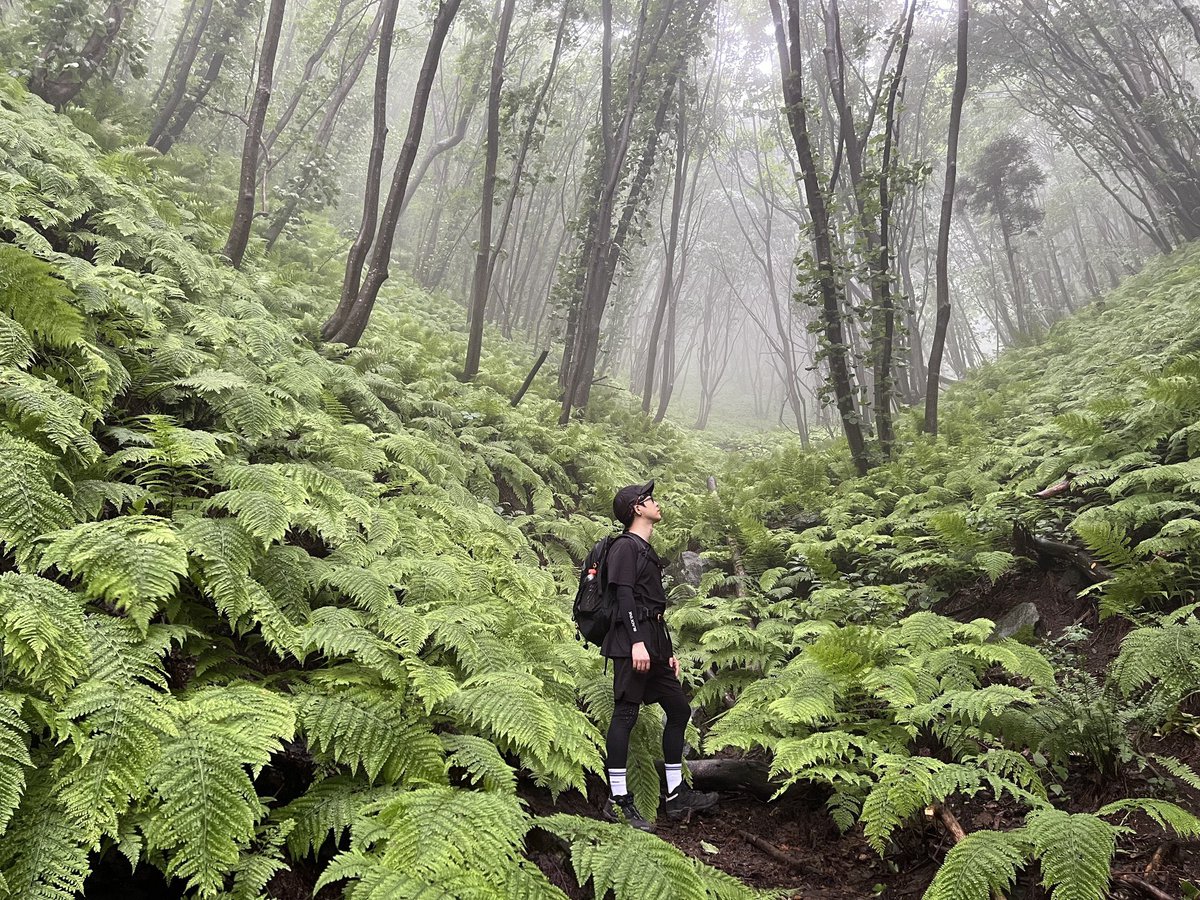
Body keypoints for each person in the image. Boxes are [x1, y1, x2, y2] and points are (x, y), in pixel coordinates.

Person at [601, 480, 718, 831]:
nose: (656, 503)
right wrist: (636, 641)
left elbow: (653, 607)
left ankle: (675, 796)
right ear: (637, 508)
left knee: (679, 709)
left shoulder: (645, 549)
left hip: (653, 642)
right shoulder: (624, 547)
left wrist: (666, 653)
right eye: (650, 499)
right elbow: (623, 597)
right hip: (630, 642)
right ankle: (617, 800)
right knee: (625, 714)